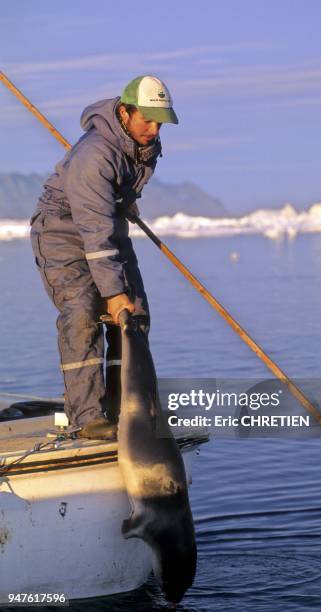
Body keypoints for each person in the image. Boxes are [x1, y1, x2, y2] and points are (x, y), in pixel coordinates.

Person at [30, 75, 178, 439]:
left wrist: (126, 203)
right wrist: (112, 294)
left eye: (160, 121)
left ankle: (128, 409)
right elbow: (94, 234)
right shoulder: (94, 155)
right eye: (147, 119)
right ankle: (89, 419)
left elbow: (110, 212)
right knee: (83, 313)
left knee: (133, 317)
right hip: (62, 233)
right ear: (125, 113)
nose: (154, 129)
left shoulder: (144, 145)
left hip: (106, 227)